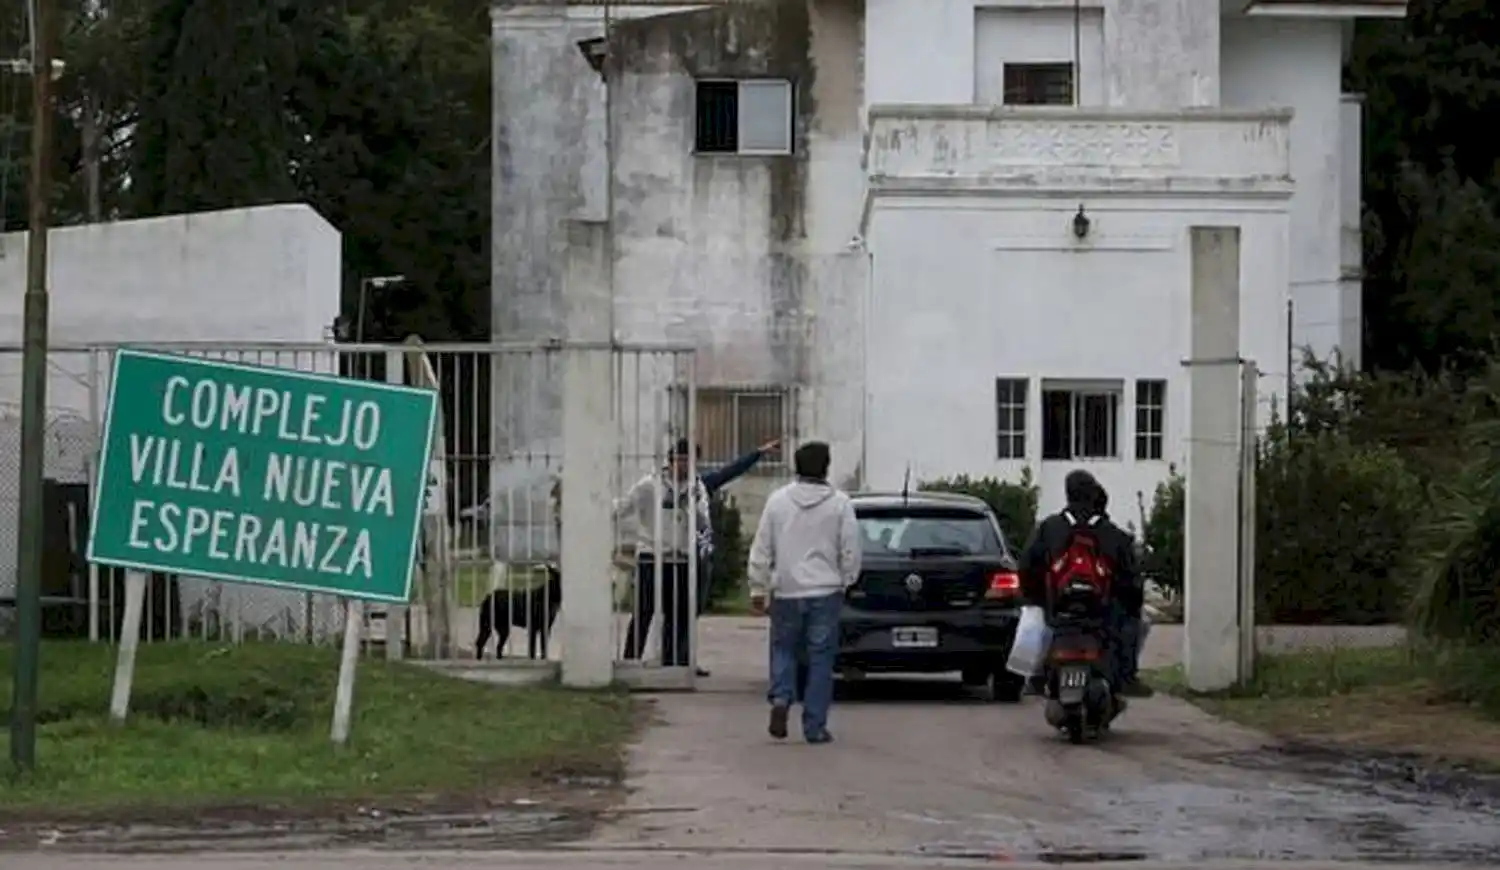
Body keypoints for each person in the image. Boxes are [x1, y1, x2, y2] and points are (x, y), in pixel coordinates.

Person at [618, 437, 779, 671]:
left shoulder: (699, 486)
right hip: (652, 558)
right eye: (679, 460)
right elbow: (623, 507)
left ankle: (676, 663)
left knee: (681, 615)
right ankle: (630, 662)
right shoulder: (649, 486)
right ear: (670, 461)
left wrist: (758, 453)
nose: (682, 466)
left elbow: (729, 472)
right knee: (644, 612)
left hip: (684, 559)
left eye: (688, 461)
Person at [748, 441, 860, 744]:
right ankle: (814, 726)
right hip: (825, 590)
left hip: (786, 590)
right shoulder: (840, 503)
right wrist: (847, 579)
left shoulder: (778, 501)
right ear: (825, 466)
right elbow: (850, 548)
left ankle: (782, 697)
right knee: (821, 659)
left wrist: (758, 586)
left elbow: (762, 548)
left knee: (783, 648)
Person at [1018, 469, 1154, 699]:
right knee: (1141, 621)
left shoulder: (1049, 528)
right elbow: (1131, 584)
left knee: (1032, 619)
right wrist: (1128, 606)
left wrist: (1037, 599)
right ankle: (1127, 678)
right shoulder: (1115, 535)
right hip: (1103, 617)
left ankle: (1035, 677)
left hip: (1057, 613)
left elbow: (1027, 568)